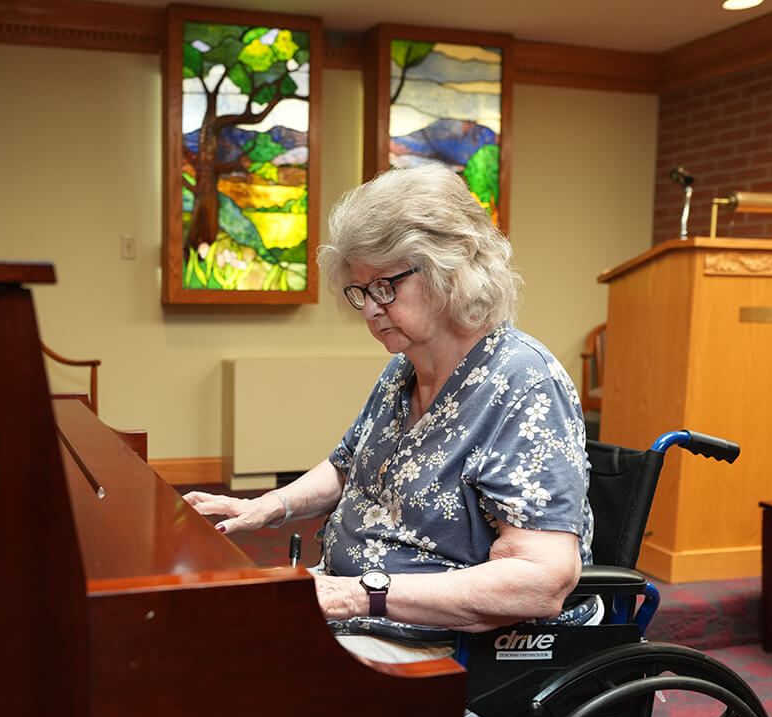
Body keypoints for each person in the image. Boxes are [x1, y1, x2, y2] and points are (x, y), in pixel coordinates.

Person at [184, 163, 594, 663]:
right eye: (361, 291)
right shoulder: (405, 368)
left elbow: (539, 581)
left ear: (451, 271)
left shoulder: (523, 384)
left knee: (239, 667)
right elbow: (345, 466)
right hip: (360, 605)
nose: (370, 309)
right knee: (204, 624)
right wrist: (267, 506)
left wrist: (357, 593)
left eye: (385, 286)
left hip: (452, 640)